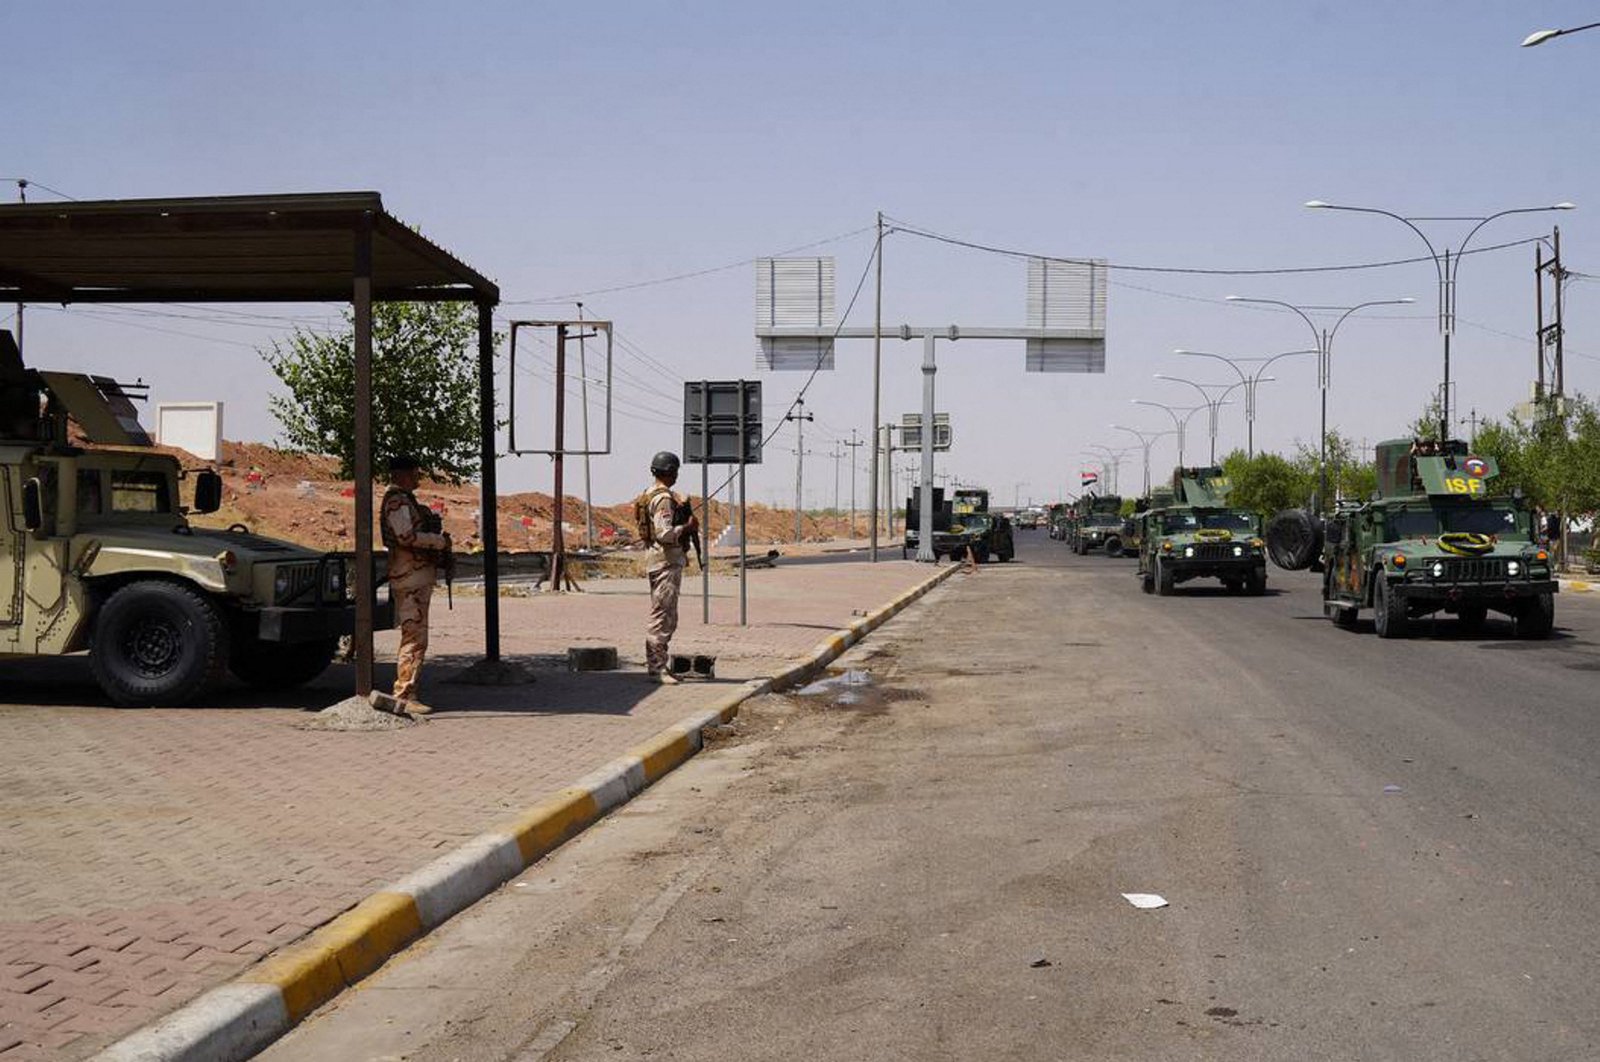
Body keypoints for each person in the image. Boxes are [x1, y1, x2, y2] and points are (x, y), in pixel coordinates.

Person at [381, 455, 450, 713]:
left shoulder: (404, 500)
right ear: (402, 474)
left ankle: (408, 691)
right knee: (413, 636)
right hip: (409, 576)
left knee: (416, 636)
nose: (417, 478)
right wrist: (436, 541)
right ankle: (404, 694)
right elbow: (406, 536)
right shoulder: (397, 501)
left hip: (414, 575)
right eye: (413, 473)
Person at [641, 451, 697, 684]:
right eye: (675, 471)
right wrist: (686, 528)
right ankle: (657, 668)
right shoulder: (663, 499)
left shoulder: (650, 494)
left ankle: (658, 665)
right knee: (662, 616)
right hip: (665, 562)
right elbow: (664, 533)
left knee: (665, 614)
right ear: (669, 471)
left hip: (659, 561)